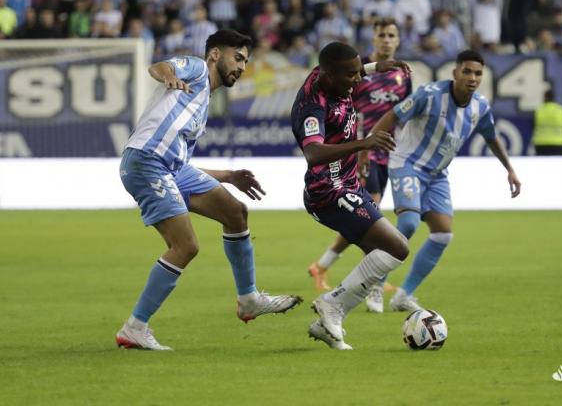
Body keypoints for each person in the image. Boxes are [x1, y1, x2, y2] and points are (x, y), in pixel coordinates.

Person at [116, 29, 302, 351]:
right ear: (216, 54)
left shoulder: (202, 105)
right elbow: (160, 67)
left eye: (246, 61)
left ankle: (248, 300)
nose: (242, 67)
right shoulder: (199, 69)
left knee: (235, 212)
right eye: (238, 57)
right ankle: (135, 327)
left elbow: (180, 164)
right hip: (147, 162)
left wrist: (227, 175)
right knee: (185, 246)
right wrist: (169, 76)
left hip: (169, 167)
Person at [369, 49, 522, 311]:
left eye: (477, 73)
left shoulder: (480, 106)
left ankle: (403, 295)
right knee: (408, 224)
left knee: (442, 235)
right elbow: (393, 115)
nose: (472, 78)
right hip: (407, 163)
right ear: (455, 73)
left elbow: (491, 137)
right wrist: (366, 146)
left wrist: (509, 168)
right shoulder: (429, 95)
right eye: (467, 71)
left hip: (437, 174)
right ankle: (374, 283)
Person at [291, 42, 410, 350]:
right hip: (328, 191)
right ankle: (332, 305)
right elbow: (313, 152)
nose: (358, 81)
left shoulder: (328, 74)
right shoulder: (312, 105)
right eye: (351, 76)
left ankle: (328, 321)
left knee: (384, 254)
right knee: (397, 246)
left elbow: (348, 69)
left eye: (360, 72)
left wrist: (375, 68)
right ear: (329, 77)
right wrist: (363, 145)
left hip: (348, 183)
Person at [532, 89, 562, 155]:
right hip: (559, 143)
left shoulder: (539, 110)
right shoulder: (561, 110)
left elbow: (532, 126)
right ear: (554, 98)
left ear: (545, 97)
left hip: (541, 144)